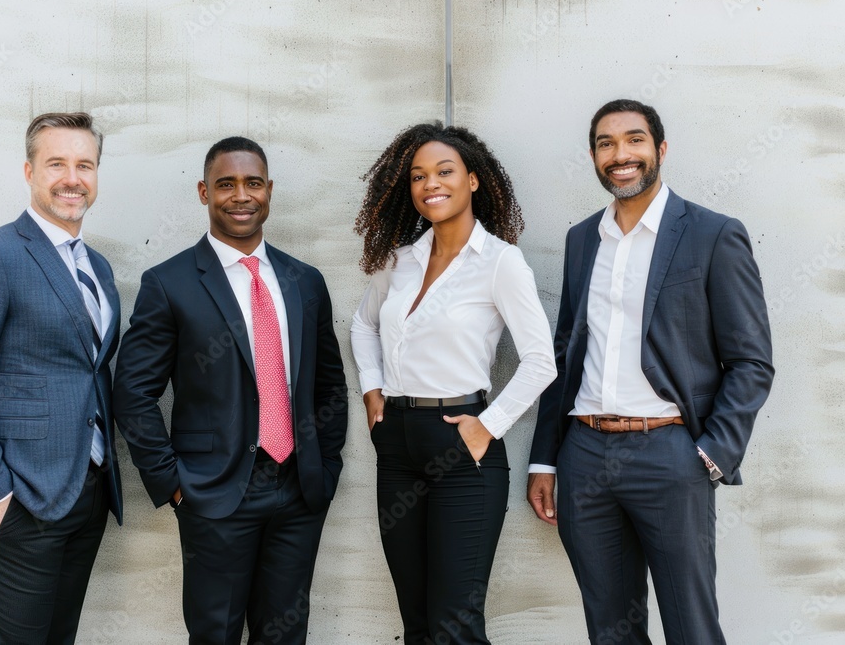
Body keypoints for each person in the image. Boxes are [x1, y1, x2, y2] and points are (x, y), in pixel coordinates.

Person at [527, 99, 775, 644]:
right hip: (585, 454)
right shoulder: (581, 238)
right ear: (594, 156)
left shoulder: (712, 234)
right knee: (610, 631)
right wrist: (545, 458)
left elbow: (752, 359)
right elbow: (564, 355)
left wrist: (711, 455)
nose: (621, 155)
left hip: (670, 454)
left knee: (691, 628)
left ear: (660, 149)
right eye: (606, 143)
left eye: (634, 140)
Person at [112, 136, 348, 645]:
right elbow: (132, 391)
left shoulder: (304, 280)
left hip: (297, 491)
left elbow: (330, 385)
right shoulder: (169, 283)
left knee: (285, 634)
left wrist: (325, 468)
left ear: (269, 192)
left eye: (253, 183)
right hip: (213, 493)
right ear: (204, 192)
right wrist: (173, 483)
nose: (241, 195)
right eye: (226, 184)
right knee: (215, 634)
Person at [351, 122, 556, 644]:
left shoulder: (500, 263)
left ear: (473, 181)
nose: (430, 184)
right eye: (418, 176)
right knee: (417, 623)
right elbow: (363, 323)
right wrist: (373, 390)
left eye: (444, 172)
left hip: (463, 448)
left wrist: (487, 427)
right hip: (396, 443)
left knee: (454, 627)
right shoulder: (399, 260)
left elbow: (540, 361)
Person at [0, 112, 123, 643]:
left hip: (89, 492)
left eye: (85, 164)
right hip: (22, 498)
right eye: (56, 163)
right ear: (29, 171)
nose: (72, 178)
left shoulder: (98, 269)